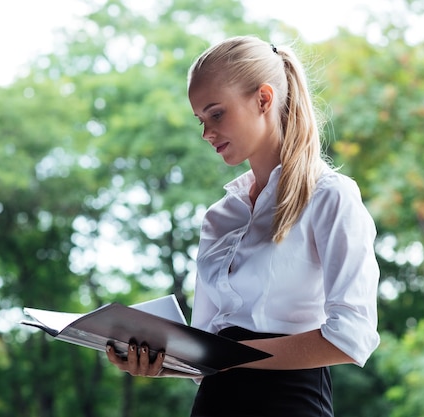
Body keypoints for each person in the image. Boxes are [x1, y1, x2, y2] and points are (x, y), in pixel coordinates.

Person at [106, 35, 380, 417]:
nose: (206, 134)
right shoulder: (220, 216)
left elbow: (352, 338)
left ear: (264, 99)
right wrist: (160, 360)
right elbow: (206, 353)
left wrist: (231, 358)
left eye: (216, 114)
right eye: (200, 119)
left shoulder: (330, 197)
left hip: (288, 406)